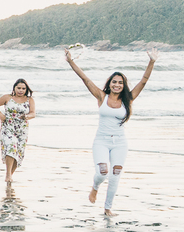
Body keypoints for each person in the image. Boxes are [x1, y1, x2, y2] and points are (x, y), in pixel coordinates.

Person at [65, 49, 157, 215]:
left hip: (120, 143)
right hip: (101, 141)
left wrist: (151, 62)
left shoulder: (128, 99)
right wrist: (71, 61)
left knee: (115, 174)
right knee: (102, 172)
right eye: (114, 82)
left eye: (120, 83)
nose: (117, 85)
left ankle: (108, 208)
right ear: (109, 84)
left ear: (124, 85)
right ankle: (95, 187)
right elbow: (85, 79)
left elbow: (143, 81)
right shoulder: (102, 96)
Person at [0, 79, 37, 183]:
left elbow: (33, 113)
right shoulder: (7, 97)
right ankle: (8, 174)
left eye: (23, 88)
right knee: (11, 147)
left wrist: (26, 116)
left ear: (26, 90)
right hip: (8, 127)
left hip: (22, 129)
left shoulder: (29, 100)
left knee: (19, 153)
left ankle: (9, 176)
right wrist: (1, 115)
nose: (21, 90)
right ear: (14, 88)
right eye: (19, 88)